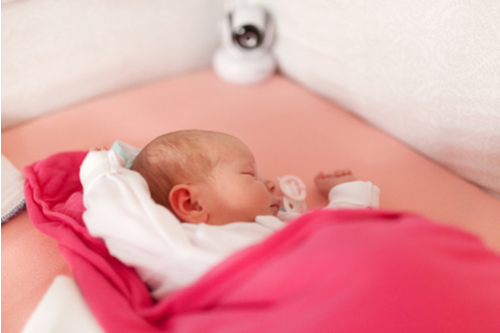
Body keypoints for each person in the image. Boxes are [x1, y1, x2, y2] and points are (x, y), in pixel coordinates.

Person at [80, 130, 380, 299]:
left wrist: (346, 190)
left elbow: (345, 232)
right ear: (192, 204)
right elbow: (123, 216)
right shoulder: (182, 247)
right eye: (250, 174)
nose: (272, 183)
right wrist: (102, 172)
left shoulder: (280, 226)